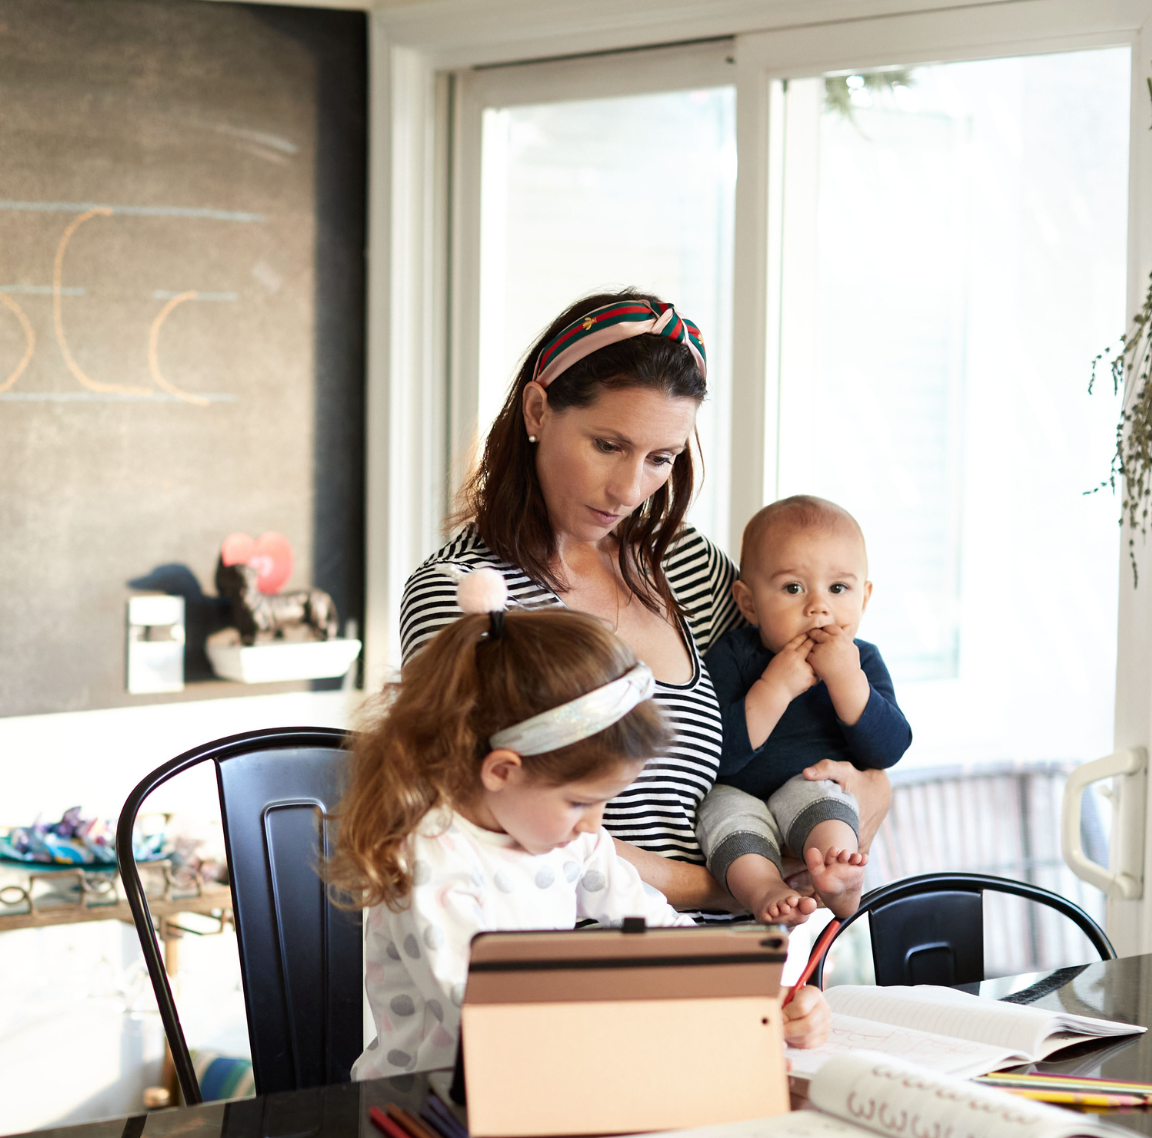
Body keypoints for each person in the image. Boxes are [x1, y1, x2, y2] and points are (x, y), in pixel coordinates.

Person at [401, 290, 891, 914]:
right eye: (608, 445)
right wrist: (750, 886)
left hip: (749, 944)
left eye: (660, 458)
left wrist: (872, 788)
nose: (630, 489)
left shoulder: (687, 565)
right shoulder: (464, 593)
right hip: (589, 959)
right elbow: (489, 829)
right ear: (537, 409)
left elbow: (829, 711)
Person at [330, 571, 832, 1080]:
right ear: (502, 771)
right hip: (426, 1105)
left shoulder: (570, 838)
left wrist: (764, 1001)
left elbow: (660, 933)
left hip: (544, 1083)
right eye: (578, 802)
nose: (597, 825)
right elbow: (486, 1020)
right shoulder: (432, 862)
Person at [699, 496, 911, 925]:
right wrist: (775, 687)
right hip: (739, 791)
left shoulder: (862, 661)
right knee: (723, 817)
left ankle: (841, 875)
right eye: (793, 588)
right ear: (749, 602)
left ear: (864, 598)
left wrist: (847, 681)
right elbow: (719, 756)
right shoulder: (733, 655)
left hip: (812, 783)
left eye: (838, 588)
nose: (818, 606)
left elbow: (888, 750)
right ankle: (765, 892)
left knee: (825, 796)